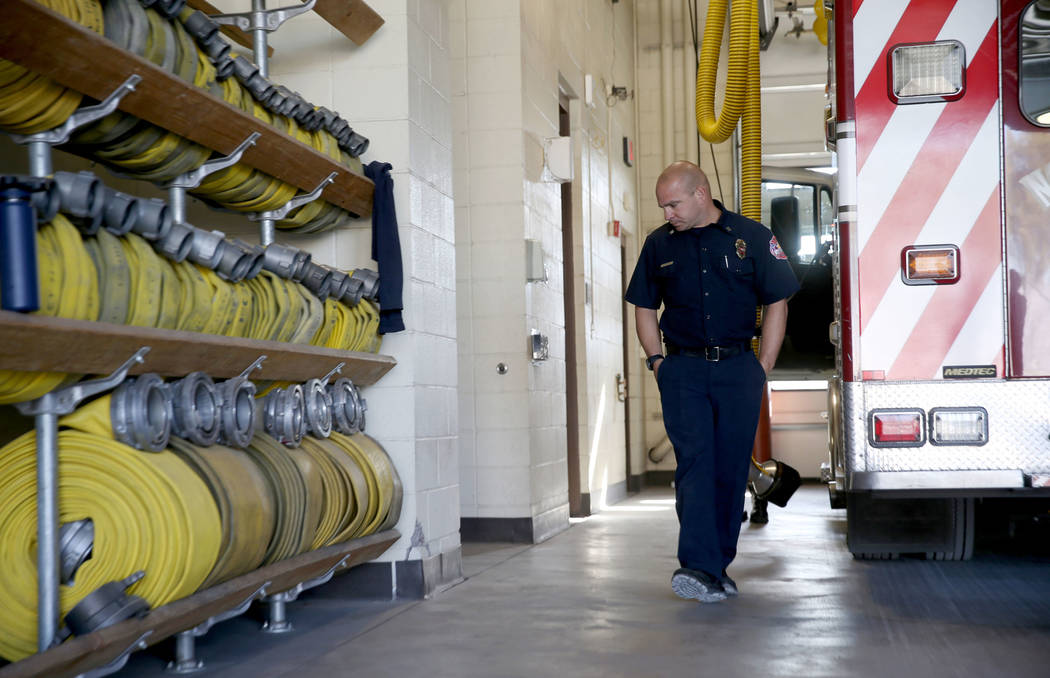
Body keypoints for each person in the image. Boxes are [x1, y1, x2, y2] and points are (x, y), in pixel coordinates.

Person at [625, 161, 799, 603]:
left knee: (729, 467)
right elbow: (644, 306)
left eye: (674, 204)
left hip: (738, 369)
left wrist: (764, 365)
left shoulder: (752, 238)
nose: (668, 213)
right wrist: (657, 360)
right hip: (682, 372)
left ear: (701, 194)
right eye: (663, 206)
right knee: (696, 464)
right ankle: (698, 565)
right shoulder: (658, 244)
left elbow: (777, 300)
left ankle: (716, 566)